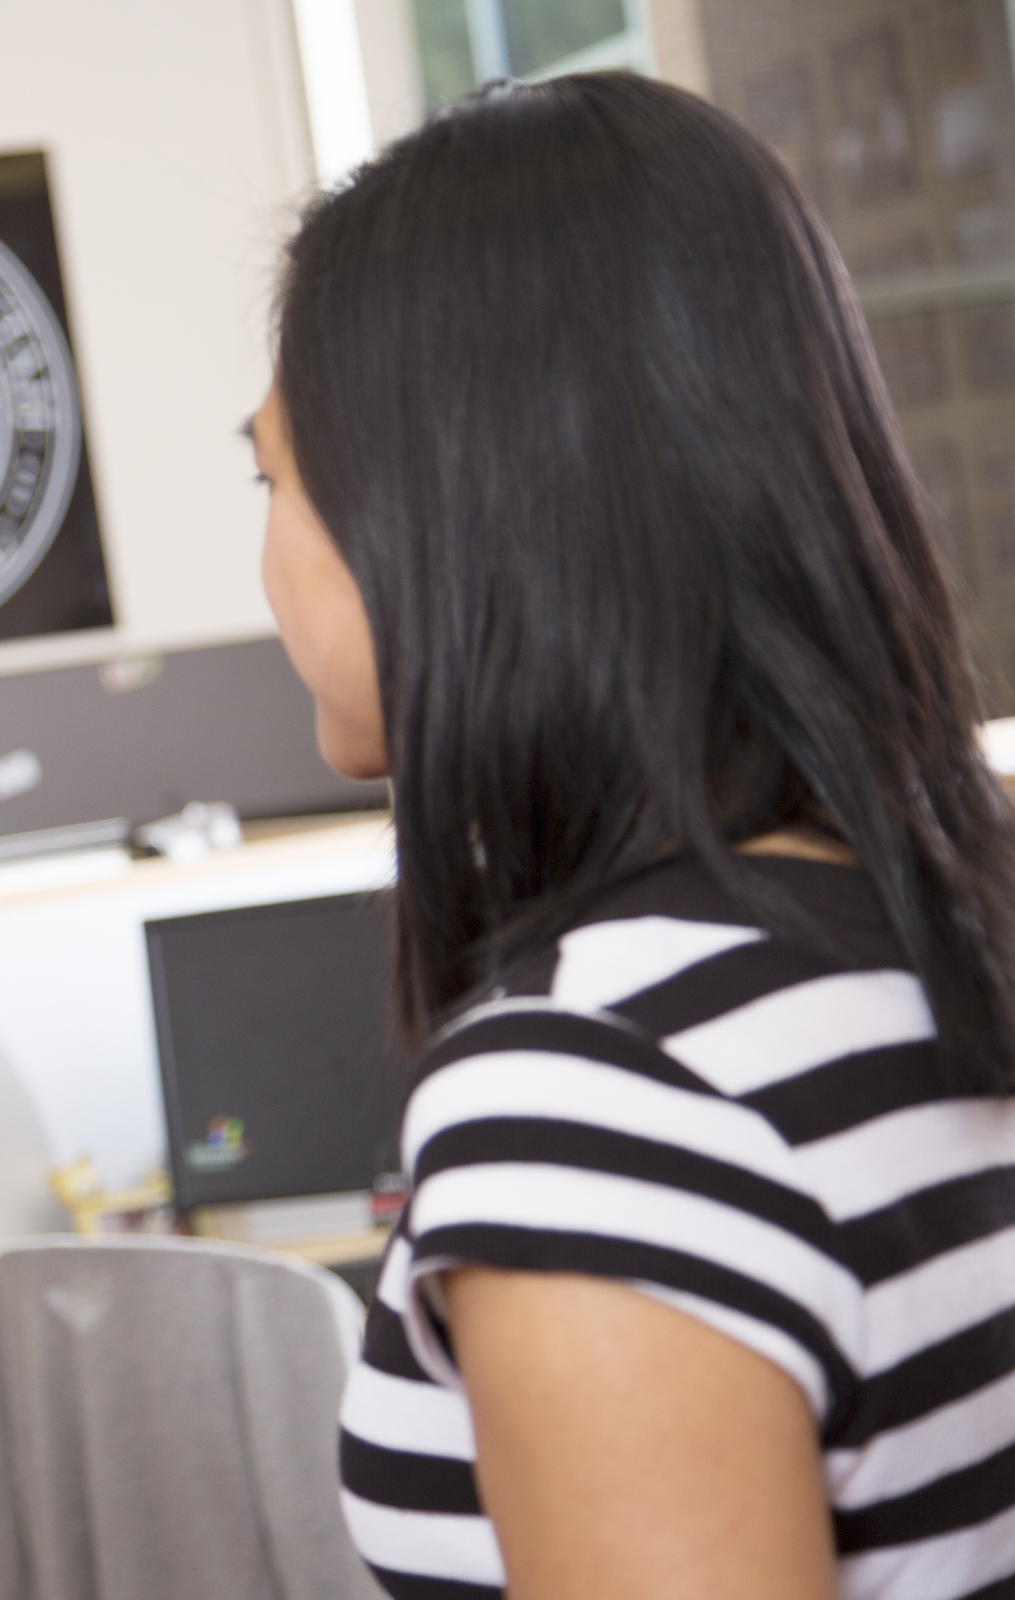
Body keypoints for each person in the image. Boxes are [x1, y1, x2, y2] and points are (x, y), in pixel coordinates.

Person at [252, 75, 1015, 1599]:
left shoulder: (602, 1094)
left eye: (273, 476)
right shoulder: (948, 921)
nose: (265, 562)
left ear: (456, 504)